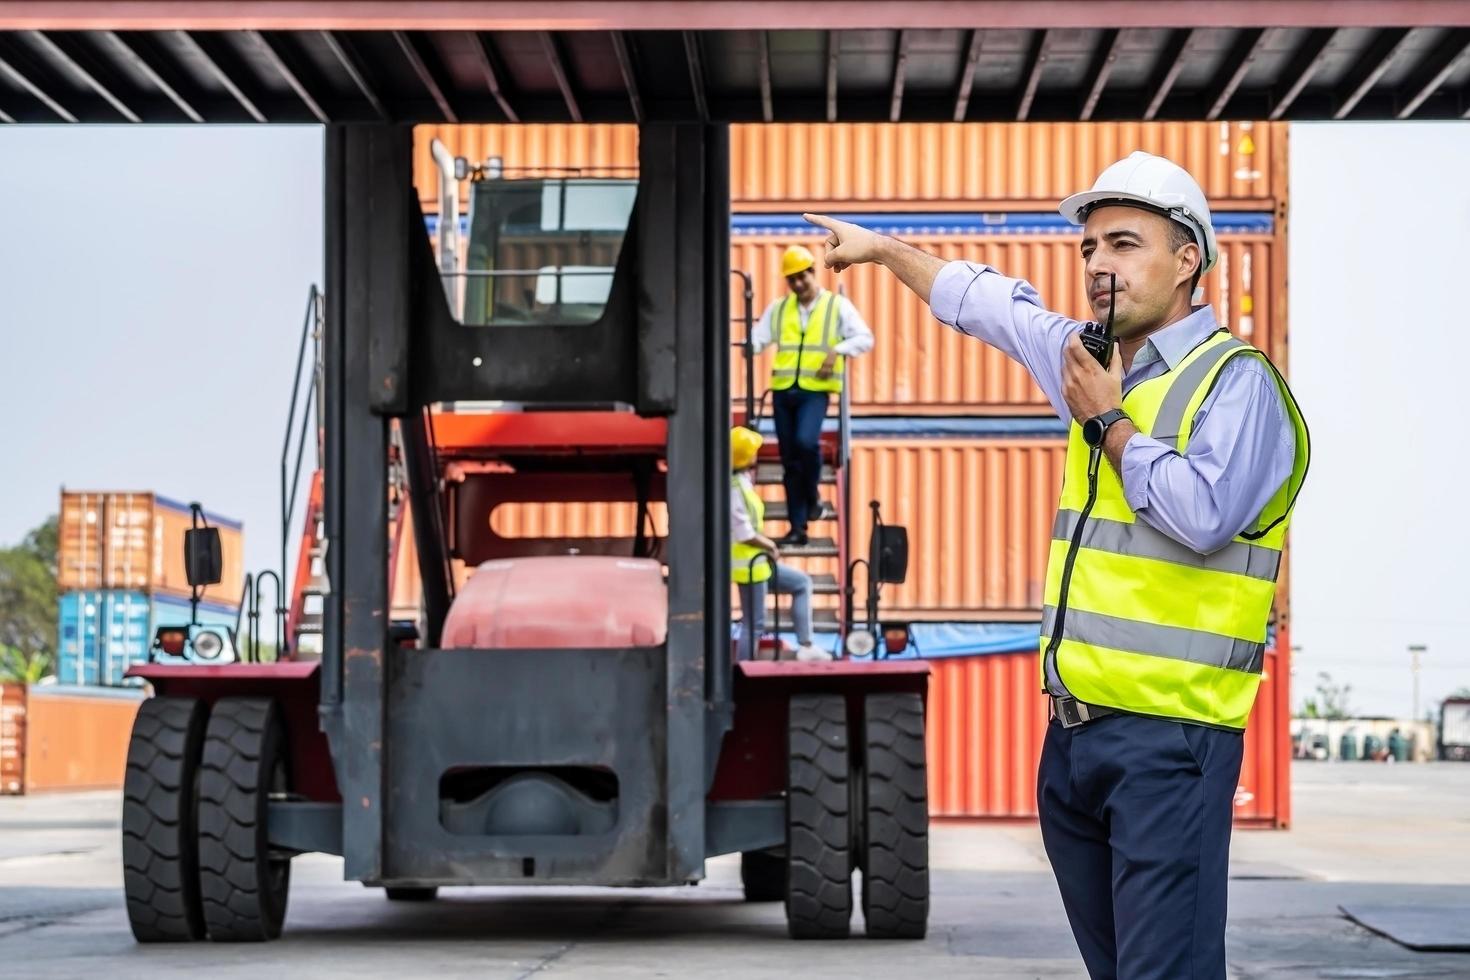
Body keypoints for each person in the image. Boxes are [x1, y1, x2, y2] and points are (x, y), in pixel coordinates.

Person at [803, 151, 1309, 980]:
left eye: (1124, 243)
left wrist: (1109, 420)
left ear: (1189, 260)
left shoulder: (1235, 385)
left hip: (1171, 739)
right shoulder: (1087, 357)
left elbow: (1204, 516)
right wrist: (884, 250)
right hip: (1075, 739)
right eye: (1089, 250)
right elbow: (990, 306)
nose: (1099, 265)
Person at [751, 244, 873, 546]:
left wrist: (838, 350)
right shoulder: (779, 308)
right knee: (789, 460)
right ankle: (798, 528)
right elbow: (756, 341)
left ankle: (813, 496)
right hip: (783, 391)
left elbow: (864, 338)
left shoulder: (837, 306)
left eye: (801, 277)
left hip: (815, 391)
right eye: (791, 279)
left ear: (812, 273)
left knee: (806, 443)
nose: (797, 284)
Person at [730, 425, 830, 663]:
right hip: (749, 565)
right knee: (754, 624)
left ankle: (806, 646)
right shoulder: (733, 489)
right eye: (753, 450)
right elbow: (743, 532)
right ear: (744, 455)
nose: (757, 453)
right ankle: (742, 672)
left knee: (801, 583)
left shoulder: (742, 480)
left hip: (759, 563)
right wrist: (770, 546)